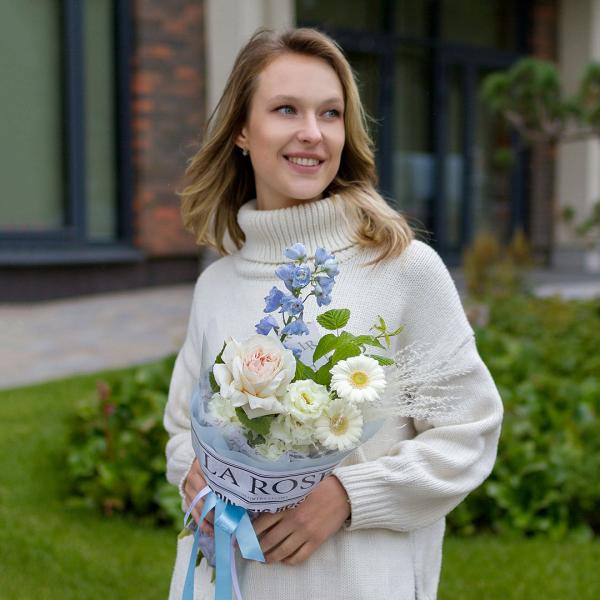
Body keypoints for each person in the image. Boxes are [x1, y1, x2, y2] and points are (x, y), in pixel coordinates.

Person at [164, 27, 503, 600]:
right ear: (242, 130)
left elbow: (468, 433)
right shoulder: (217, 284)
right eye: (286, 110)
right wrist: (195, 481)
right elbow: (182, 428)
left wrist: (348, 498)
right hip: (225, 579)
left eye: (330, 113)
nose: (312, 133)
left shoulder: (403, 268)